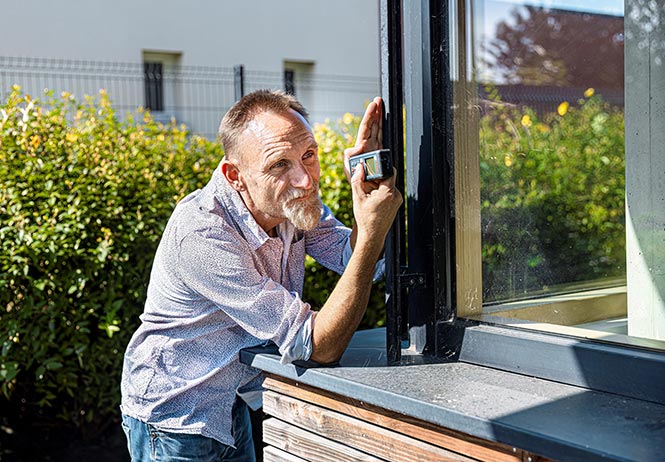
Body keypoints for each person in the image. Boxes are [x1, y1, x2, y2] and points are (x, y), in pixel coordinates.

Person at [120, 89, 402, 461]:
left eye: (309, 156)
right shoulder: (203, 234)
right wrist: (370, 235)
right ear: (235, 176)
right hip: (175, 417)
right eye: (280, 165)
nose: (305, 179)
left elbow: (351, 256)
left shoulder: (289, 203)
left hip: (228, 402)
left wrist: (363, 183)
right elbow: (315, 345)